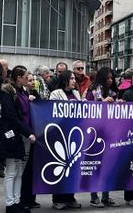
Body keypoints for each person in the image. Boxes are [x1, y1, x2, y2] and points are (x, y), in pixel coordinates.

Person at [0, 66, 36, 213]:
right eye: (26, 76)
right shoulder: (8, 92)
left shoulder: (23, 92)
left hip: (23, 135)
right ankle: (10, 204)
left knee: (19, 171)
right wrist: (28, 132)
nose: (28, 79)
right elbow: (11, 116)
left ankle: (17, 201)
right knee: (12, 171)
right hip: (14, 136)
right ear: (19, 78)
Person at [83, 67, 118, 207]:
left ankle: (106, 196)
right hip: (95, 132)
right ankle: (94, 196)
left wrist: (118, 103)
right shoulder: (93, 90)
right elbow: (87, 108)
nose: (110, 81)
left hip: (109, 131)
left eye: (111, 78)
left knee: (107, 166)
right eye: (107, 78)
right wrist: (102, 103)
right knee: (95, 165)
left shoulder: (113, 92)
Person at [49, 70, 82, 210]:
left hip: (74, 135)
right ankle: (58, 199)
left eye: (75, 78)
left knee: (73, 168)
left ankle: (70, 197)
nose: (74, 81)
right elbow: (52, 111)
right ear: (65, 80)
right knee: (61, 167)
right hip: (61, 135)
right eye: (72, 78)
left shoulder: (76, 94)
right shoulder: (55, 94)